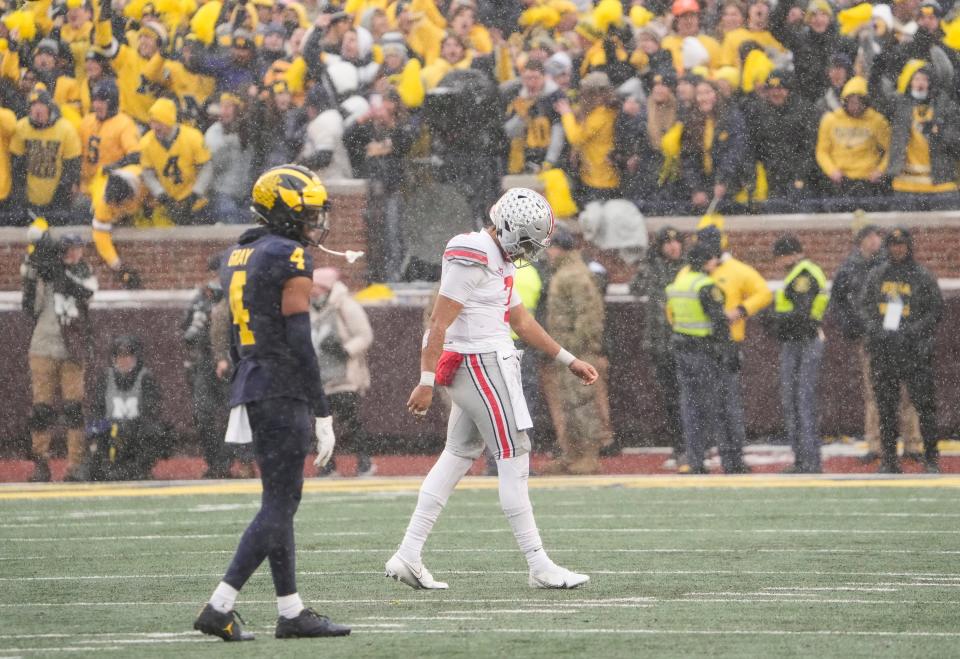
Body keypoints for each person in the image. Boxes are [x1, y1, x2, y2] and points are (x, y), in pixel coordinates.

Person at [387, 187, 598, 591]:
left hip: (485, 363)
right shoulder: (474, 252)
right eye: (526, 242)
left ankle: (408, 554)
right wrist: (426, 380)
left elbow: (521, 322)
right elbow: (439, 323)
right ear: (506, 229)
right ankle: (538, 564)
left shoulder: (497, 258)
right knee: (515, 457)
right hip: (481, 366)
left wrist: (568, 359)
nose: (528, 252)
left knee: (458, 454)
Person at [193, 164, 350, 640]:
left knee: (277, 502)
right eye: (307, 212)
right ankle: (219, 605)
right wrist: (322, 408)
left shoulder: (238, 253)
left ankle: (290, 610)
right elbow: (300, 338)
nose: (316, 222)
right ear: (283, 213)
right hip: (282, 384)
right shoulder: (288, 255)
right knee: (281, 505)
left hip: (254, 380)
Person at [829, 224, 923, 463]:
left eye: (876, 237)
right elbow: (839, 302)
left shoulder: (891, 266)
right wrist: (853, 327)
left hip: (897, 336)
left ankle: (911, 443)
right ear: (859, 241)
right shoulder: (850, 269)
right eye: (869, 237)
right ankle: (876, 443)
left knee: (905, 390)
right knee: (874, 392)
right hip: (871, 338)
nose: (874, 241)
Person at [859, 227, 943, 474]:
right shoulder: (877, 276)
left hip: (915, 351)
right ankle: (889, 460)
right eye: (894, 245)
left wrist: (913, 330)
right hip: (885, 351)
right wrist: (877, 329)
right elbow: (864, 307)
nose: (898, 249)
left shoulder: (922, 276)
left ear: (909, 247)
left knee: (924, 405)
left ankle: (930, 458)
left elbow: (935, 310)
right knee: (886, 406)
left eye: (902, 245)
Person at [694, 219, 772, 473]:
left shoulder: (736, 270)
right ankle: (702, 457)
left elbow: (763, 292)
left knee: (728, 405)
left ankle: (732, 458)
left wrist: (741, 310)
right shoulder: (692, 272)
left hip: (727, 344)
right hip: (699, 345)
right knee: (705, 404)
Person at [21, 229, 97, 482]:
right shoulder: (47, 272)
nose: (75, 253)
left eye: (78, 248)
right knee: (41, 408)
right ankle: (40, 463)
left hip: (72, 348)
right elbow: (29, 307)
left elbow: (84, 292)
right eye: (70, 248)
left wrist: (58, 272)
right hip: (44, 345)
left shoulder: (83, 272)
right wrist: (33, 271)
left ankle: (75, 464)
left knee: (74, 407)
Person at [541, 229, 609, 475]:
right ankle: (571, 454)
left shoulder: (574, 275)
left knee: (581, 403)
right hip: (567, 352)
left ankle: (589, 455)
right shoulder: (565, 274)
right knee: (569, 405)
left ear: (561, 249)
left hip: (575, 352)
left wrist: (575, 347)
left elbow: (588, 316)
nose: (548, 253)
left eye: (551, 248)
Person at [666, 239, 731, 475]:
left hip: (681, 348)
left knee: (689, 407)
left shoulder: (679, 283)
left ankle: (694, 459)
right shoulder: (706, 286)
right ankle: (716, 455)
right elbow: (719, 322)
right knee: (711, 405)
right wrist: (726, 351)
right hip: (702, 351)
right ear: (705, 261)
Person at [309, 267, 376, 477]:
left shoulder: (346, 305)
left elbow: (365, 336)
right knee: (321, 424)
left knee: (351, 421)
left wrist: (344, 350)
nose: (311, 291)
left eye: (315, 287)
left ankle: (364, 462)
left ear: (326, 287)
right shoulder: (309, 308)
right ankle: (327, 466)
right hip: (320, 377)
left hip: (345, 377)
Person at [771, 235, 828, 474]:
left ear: (791, 254)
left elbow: (801, 312)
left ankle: (808, 460)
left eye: (779, 257)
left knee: (800, 401)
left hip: (802, 341)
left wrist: (774, 320)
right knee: (796, 401)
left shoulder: (803, 274)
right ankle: (804, 459)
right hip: (799, 340)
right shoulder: (803, 272)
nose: (777, 263)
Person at [631, 226, 686, 470]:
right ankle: (679, 446)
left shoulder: (687, 268)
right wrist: (648, 263)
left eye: (677, 242)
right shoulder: (652, 267)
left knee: (689, 398)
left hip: (683, 341)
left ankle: (693, 446)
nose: (674, 247)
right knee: (671, 399)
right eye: (668, 243)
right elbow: (636, 288)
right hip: (659, 343)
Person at [88, 335, 166, 481]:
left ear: (136, 358)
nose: (124, 361)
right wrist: (104, 429)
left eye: (128, 356)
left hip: (136, 434)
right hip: (110, 433)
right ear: (114, 359)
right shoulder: (105, 378)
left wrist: (130, 428)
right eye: (120, 356)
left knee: (155, 432)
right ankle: (106, 466)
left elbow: (152, 413)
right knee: (94, 431)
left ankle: (139, 468)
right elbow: (96, 411)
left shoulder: (146, 379)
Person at [182, 256, 231, 479]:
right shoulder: (202, 298)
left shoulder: (234, 297)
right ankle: (215, 462)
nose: (215, 279)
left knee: (235, 414)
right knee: (203, 414)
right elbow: (187, 332)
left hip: (230, 361)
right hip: (204, 362)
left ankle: (233, 462)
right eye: (213, 273)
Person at [815, 76, 891, 206]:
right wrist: (831, 170)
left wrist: (880, 170)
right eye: (851, 102)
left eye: (859, 102)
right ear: (845, 101)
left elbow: (892, 149)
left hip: (867, 182)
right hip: (839, 181)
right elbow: (822, 151)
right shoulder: (830, 120)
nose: (855, 107)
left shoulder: (877, 121)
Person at [10, 87, 82, 223]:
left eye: (41, 105)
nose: (37, 110)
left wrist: (60, 197)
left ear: (49, 107)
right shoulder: (21, 127)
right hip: (29, 199)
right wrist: (20, 197)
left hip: (58, 198)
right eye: (33, 105)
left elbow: (72, 167)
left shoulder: (66, 129)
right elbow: (16, 166)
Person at [139, 98, 213, 225]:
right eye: (152, 122)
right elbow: (148, 173)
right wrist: (161, 195)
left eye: (159, 122)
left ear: (169, 120)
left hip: (196, 204)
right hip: (167, 204)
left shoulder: (193, 137)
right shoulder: (146, 143)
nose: (155, 127)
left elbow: (206, 167)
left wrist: (195, 194)